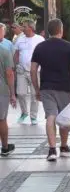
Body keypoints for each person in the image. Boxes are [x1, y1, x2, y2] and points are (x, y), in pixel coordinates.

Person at [30, 19, 70, 162]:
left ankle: (52, 149)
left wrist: (36, 89)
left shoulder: (40, 47)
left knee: (50, 116)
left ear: (49, 31)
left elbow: (33, 70)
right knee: (63, 117)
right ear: (61, 30)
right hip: (65, 87)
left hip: (46, 87)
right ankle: (63, 147)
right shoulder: (69, 47)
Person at [14, 20, 45, 125]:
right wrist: (15, 65)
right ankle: (24, 113)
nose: (23, 28)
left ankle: (33, 116)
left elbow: (44, 55)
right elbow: (16, 54)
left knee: (34, 94)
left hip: (35, 71)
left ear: (31, 28)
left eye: (25, 26)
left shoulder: (40, 39)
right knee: (20, 93)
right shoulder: (20, 39)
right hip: (21, 70)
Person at [0, 24, 15, 156]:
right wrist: (12, 94)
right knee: (1, 119)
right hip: (1, 90)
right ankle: (5, 147)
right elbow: (9, 74)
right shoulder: (5, 52)